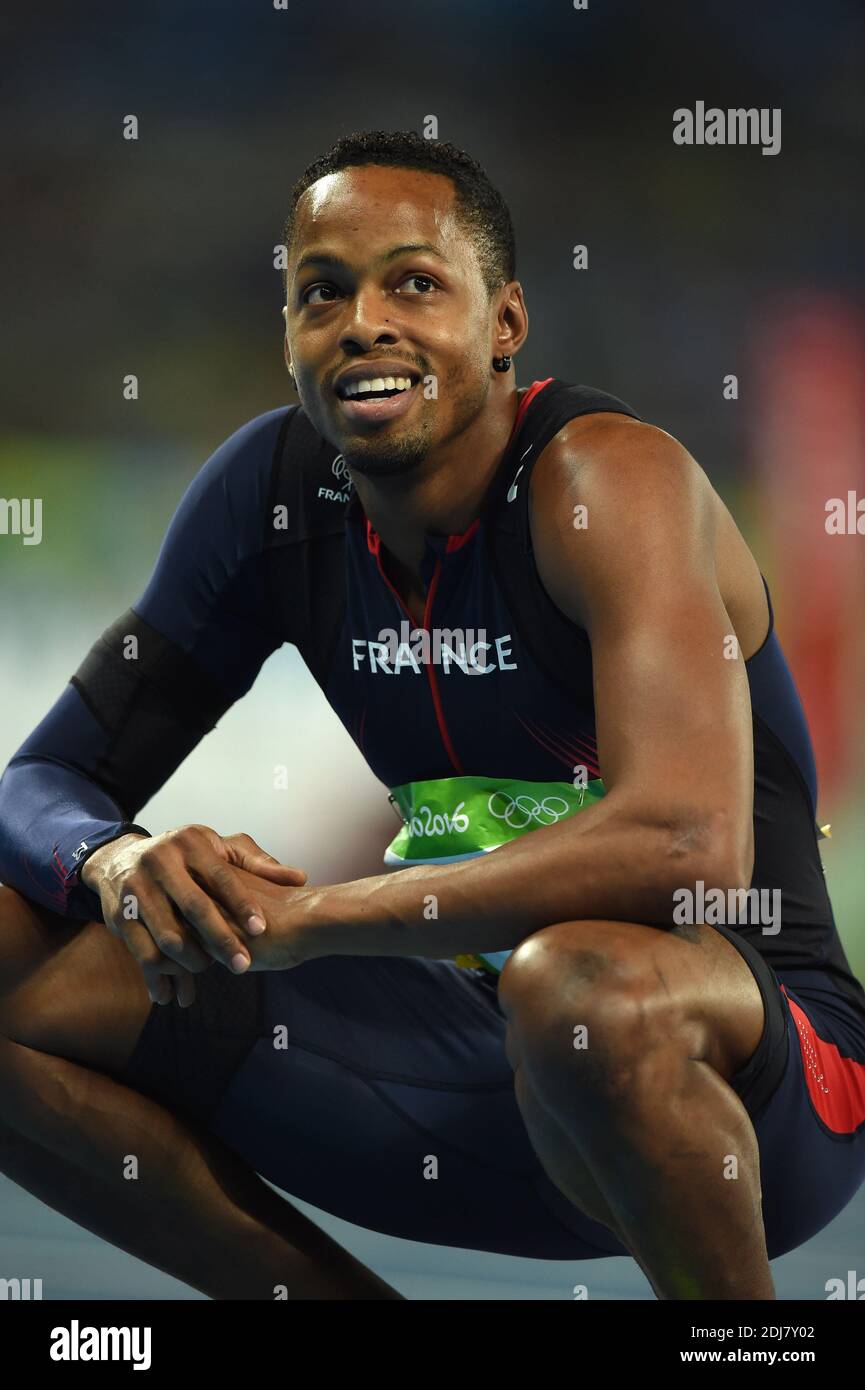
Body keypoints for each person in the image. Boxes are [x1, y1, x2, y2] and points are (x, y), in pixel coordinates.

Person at [1, 130, 863, 1301]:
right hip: (452, 1068)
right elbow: (41, 782)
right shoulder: (266, 500)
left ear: (503, 322)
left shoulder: (610, 483)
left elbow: (683, 846)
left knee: (575, 982)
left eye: (413, 281)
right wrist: (117, 859)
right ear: (292, 336)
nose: (362, 321)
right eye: (322, 292)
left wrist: (316, 917)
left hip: (758, 1093)